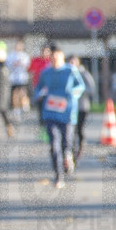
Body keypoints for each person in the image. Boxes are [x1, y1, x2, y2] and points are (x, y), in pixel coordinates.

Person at [35, 44, 85, 188]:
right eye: (52, 57)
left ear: (62, 57)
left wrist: (73, 94)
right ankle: (59, 175)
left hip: (67, 113)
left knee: (66, 143)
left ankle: (68, 156)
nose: (54, 60)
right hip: (50, 113)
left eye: (57, 57)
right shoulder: (46, 72)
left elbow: (80, 86)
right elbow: (38, 88)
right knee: (54, 144)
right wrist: (39, 95)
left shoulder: (70, 70)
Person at [68, 55, 96, 164]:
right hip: (70, 108)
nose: (72, 64)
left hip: (82, 106)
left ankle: (80, 147)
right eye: (70, 62)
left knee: (79, 129)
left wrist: (78, 92)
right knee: (71, 130)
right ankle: (71, 151)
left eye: (74, 62)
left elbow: (91, 88)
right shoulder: (67, 74)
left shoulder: (84, 74)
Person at [6, 39, 31, 115]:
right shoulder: (11, 55)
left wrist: (21, 64)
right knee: (15, 93)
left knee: (23, 92)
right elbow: (8, 65)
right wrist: (14, 64)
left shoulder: (24, 55)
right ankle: (16, 108)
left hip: (22, 77)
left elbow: (27, 65)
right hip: (13, 77)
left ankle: (25, 105)